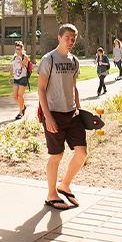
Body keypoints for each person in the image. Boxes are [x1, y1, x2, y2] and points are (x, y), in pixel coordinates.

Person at [38, 24, 86, 211]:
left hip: (72, 114)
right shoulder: (48, 59)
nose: (71, 41)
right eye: (67, 37)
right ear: (59, 37)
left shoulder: (74, 61)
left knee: (81, 153)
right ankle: (51, 194)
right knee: (56, 155)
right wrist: (48, 117)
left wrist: (79, 110)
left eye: (73, 38)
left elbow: (73, 87)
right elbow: (41, 89)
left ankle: (64, 185)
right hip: (54, 114)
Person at [9, 41, 30, 120]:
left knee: (20, 95)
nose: (17, 51)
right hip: (16, 78)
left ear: (22, 49)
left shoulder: (25, 57)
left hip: (23, 78)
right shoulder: (14, 57)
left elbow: (23, 65)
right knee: (15, 96)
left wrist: (20, 58)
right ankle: (23, 106)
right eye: (16, 49)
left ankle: (20, 112)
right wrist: (10, 76)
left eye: (19, 49)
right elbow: (12, 67)